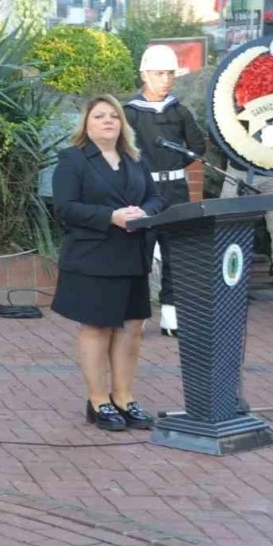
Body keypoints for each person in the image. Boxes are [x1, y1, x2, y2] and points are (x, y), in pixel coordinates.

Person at [51, 96, 163, 432]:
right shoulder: (73, 160)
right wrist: (109, 216)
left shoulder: (134, 158)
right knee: (97, 327)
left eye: (114, 116)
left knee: (132, 328)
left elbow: (156, 197)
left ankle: (124, 398)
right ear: (86, 123)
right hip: (92, 256)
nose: (108, 121)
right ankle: (98, 400)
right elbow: (65, 207)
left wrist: (146, 213)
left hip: (132, 254)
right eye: (99, 116)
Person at [122, 45, 205, 338]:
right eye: (159, 73)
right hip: (144, 192)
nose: (166, 79)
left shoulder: (179, 110)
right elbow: (121, 152)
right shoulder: (129, 112)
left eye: (170, 73)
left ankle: (171, 316)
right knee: (139, 254)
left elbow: (197, 146)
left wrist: (173, 162)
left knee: (176, 253)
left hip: (176, 189)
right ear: (144, 74)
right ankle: (137, 313)